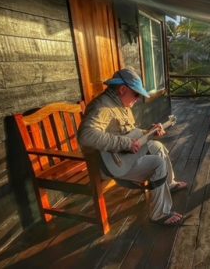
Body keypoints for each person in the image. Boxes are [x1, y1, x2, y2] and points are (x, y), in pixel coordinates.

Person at [78, 68, 187, 226]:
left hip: (123, 157)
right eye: (136, 94)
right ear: (123, 89)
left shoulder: (120, 105)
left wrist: (149, 132)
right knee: (158, 163)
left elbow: (130, 134)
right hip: (111, 165)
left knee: (157, 146)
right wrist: (125, 144)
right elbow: (85, 136)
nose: (138, 99)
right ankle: (159, 214)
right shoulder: (103, 107)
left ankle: (168, 184)